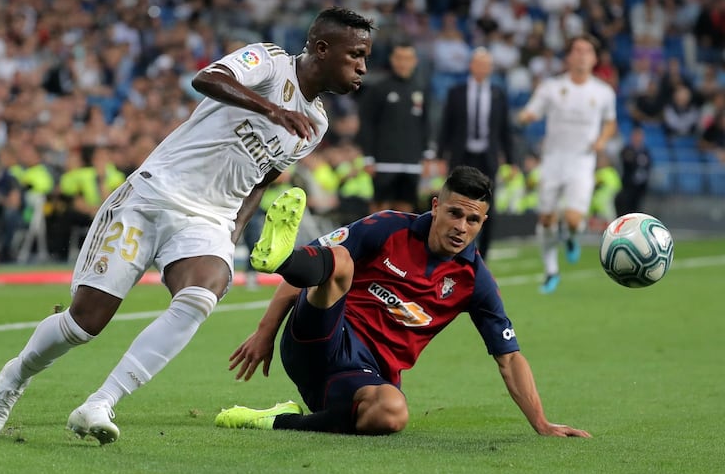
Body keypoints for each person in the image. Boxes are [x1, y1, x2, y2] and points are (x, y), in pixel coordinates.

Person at [0, 7, 374, 444]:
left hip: (209, 217)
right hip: (153, 195)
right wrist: (272, 110)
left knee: (202, 293)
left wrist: (231, 236)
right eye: (356, 54)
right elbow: (207, 79)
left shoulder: (316, 124)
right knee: (83, 325)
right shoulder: (269, 61)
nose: (362, 66)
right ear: (321, 48)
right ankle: (15, 375)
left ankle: (100, 403)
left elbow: (261, 181)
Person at [215, 166, 590, 438]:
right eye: (455, 213)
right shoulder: (387, 227)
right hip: (320, 336)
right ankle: (283, 260)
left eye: (473, 220)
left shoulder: (475, 282)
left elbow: (508, 357)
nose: (461, 226)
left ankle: (279, 420)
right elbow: (320, 260)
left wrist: (541, 423)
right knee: (339, 260)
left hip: (359, 379)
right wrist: (265, 332)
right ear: (436, 206)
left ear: (483, 222)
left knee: (392, 414)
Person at [517, 34, 616, 294]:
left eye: (587, 51)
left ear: (594, 58)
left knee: (572, 219)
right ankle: (551, 271)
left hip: (582, 162)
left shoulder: (603, 92)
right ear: (569, 56)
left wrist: (603, 140)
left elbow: (610, 122)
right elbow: (532, 110)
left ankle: (572, 237)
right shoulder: (551, 87)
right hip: (552, 160)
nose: (582, 55)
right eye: (577, 50)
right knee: (547, 218)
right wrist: (525, 116)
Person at [438, 47, 514, 259]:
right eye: (478, 63)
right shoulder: (457, 92)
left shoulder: (498, 94)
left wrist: (511, 160)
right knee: (455, 201)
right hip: (462, 156)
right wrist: (440, 156)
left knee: (487, 205)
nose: (482, 68)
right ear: (471, 65)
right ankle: (453, 248)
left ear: (490, 68)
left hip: (487, 158)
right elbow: (447, 126)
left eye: (486, 65)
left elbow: (504, 130)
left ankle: (483, 255)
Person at [357, 39, 429, 213]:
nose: (403, 63)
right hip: (384, 162)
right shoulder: (379, 89)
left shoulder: (420, 89)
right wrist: (368, 157)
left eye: (408, 58)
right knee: (380, 209)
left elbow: (425, 125)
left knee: (406, 209)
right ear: (392, 60)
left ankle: (399, 241)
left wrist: (427, 155)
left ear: (415, 61)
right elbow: (366, 123)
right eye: (399, 58)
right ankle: (375, 241)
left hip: (412, 162)